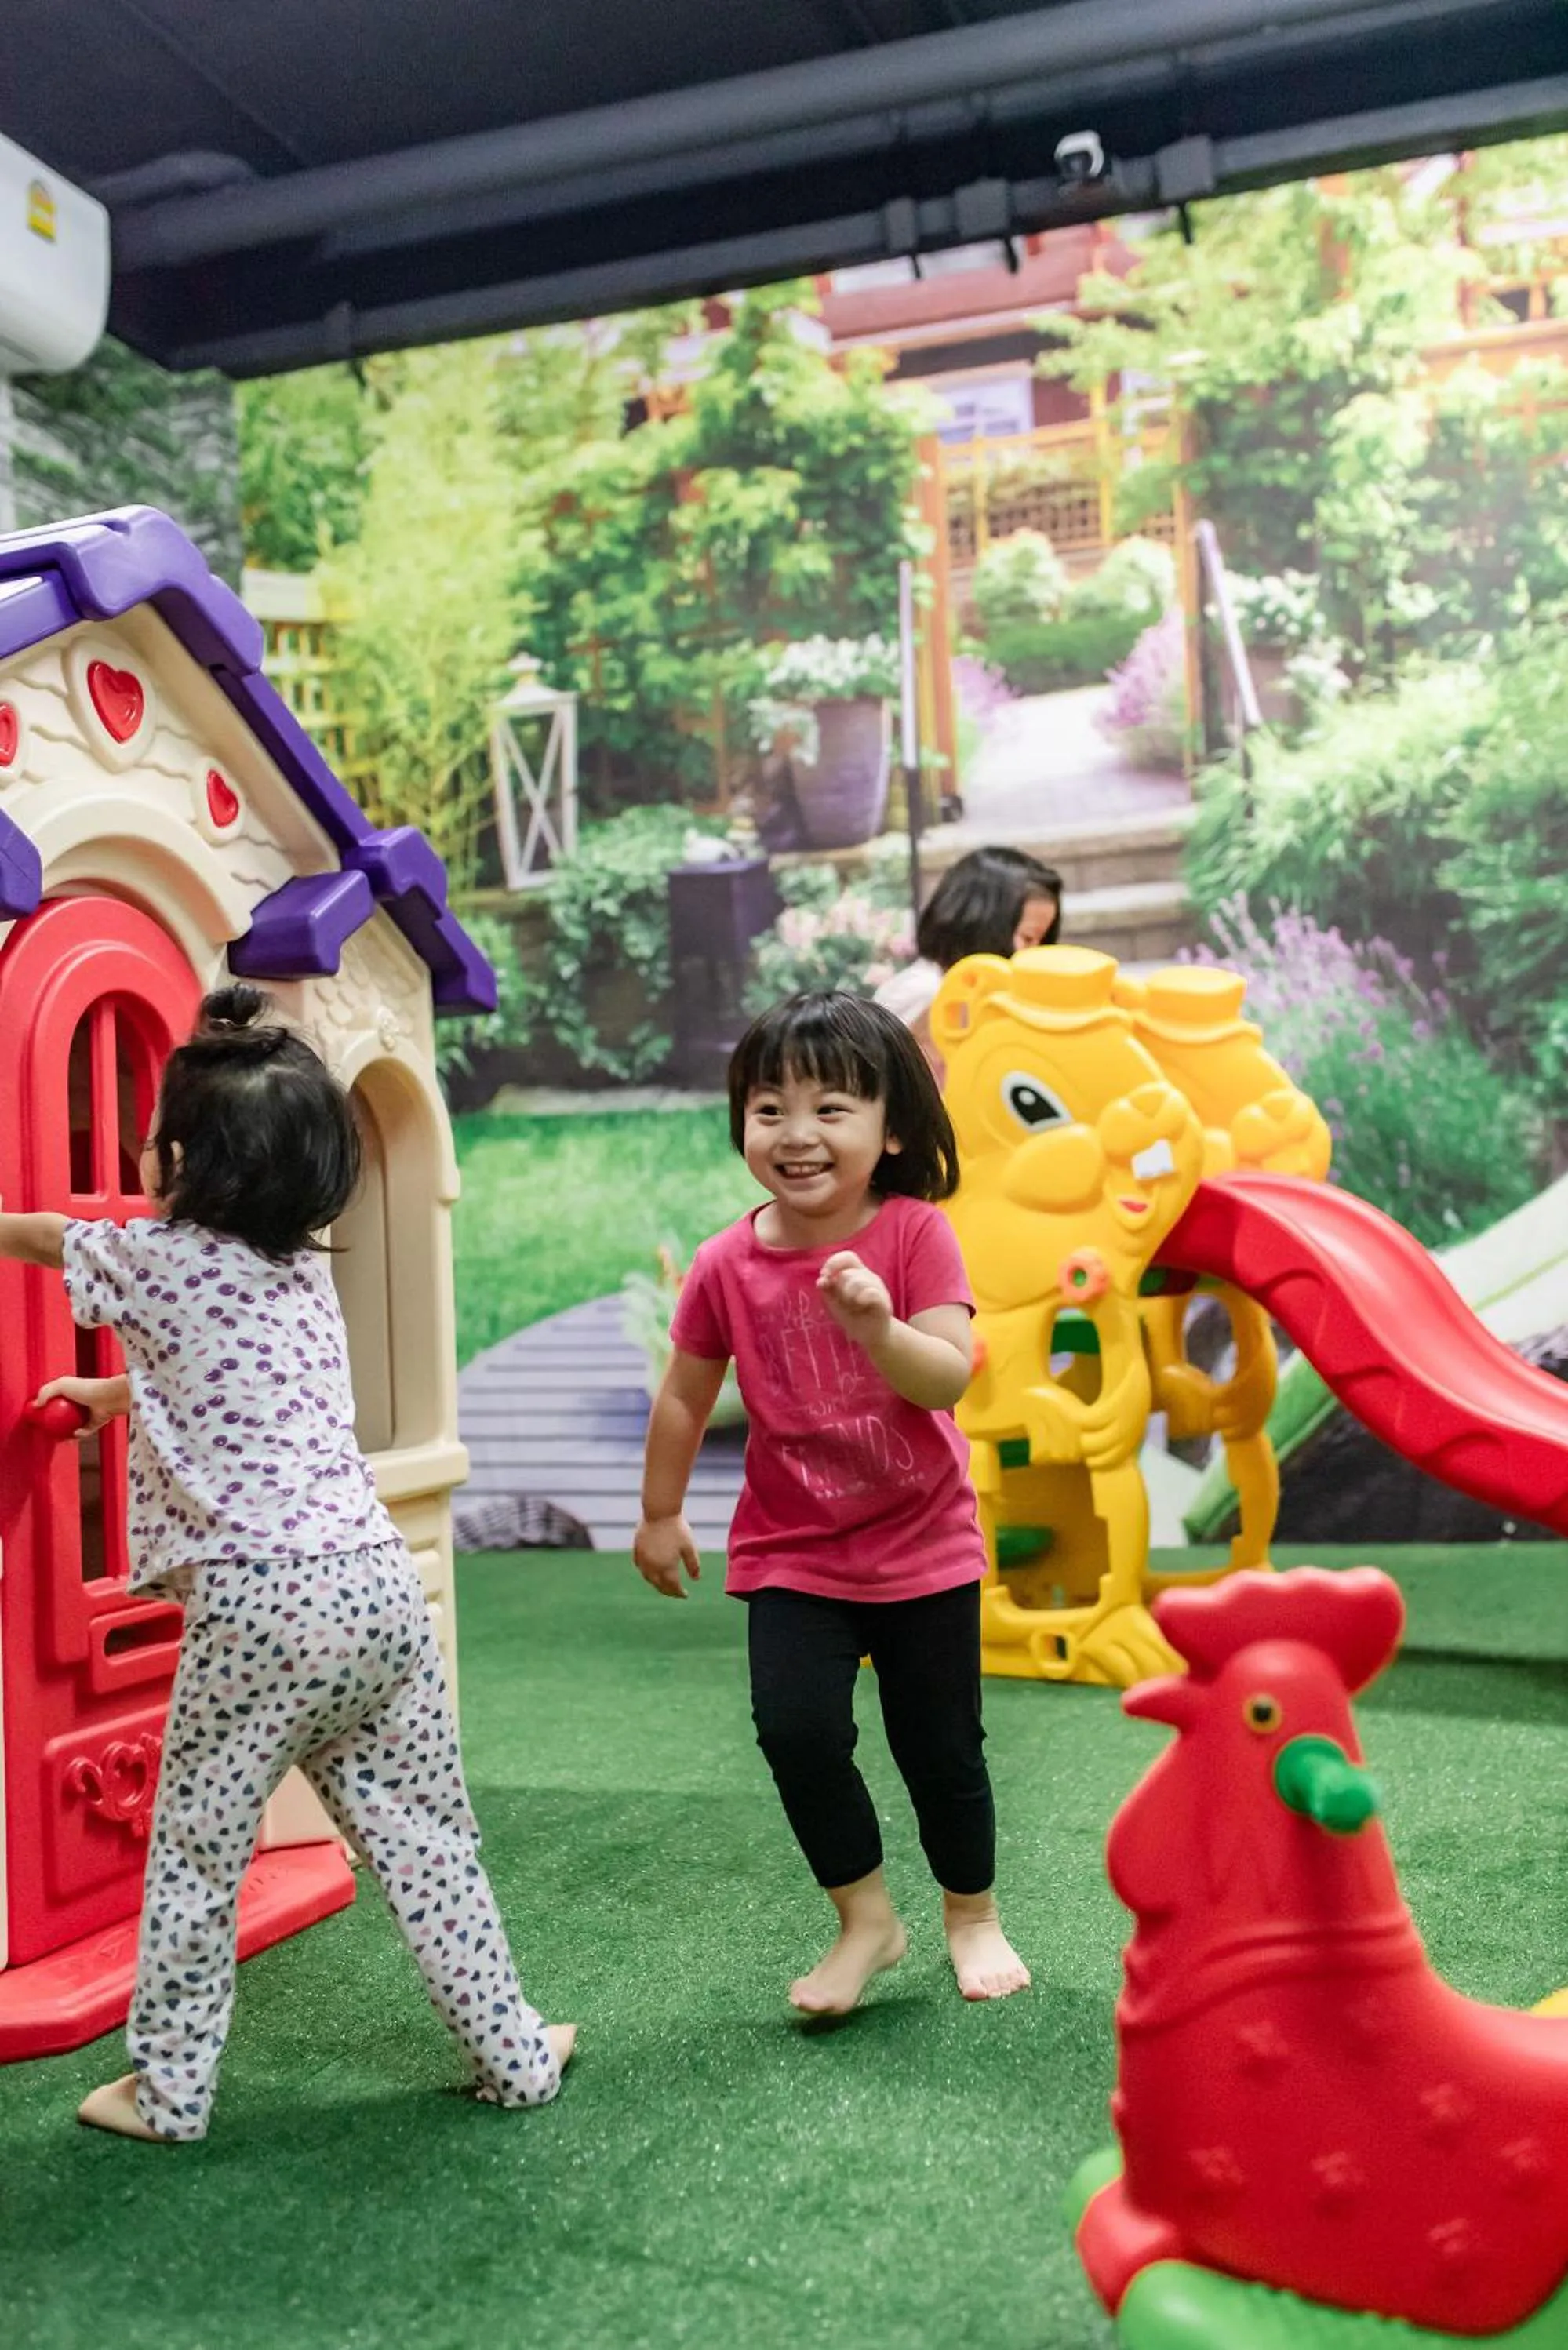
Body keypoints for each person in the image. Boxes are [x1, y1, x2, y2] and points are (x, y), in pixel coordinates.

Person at [0, 985, 574, 2142]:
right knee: (428, 1839)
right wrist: (116, 1393)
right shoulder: (303, 1269)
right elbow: (238, 1382)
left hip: (265, 1603)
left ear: (177, 1163)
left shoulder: (154, 1255)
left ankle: (168, 2092)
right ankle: (514, 2054)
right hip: (375, 1584)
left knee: (197, 1852)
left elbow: (52, 1236)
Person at [633, 991, 1029, 2017]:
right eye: (769, 1108)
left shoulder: (914, 1233)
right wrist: (659, 1512)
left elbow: (945, 1377)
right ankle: (865, 1919)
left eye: (830, 1108)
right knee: (796, 1733)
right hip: (793, 1551)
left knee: (939, 1748)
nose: (796, 1133)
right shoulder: (725, 1263)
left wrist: (877, 1328)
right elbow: (684, 1394)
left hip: (922, 1544)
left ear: (890, 1130)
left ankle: (970, 1912)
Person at [875, 845, 1064, 1079]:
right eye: (1028, 938)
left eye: (1042, 942)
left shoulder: (990, 999)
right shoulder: (925, 993)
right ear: (984, 925)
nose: (1035, 953)